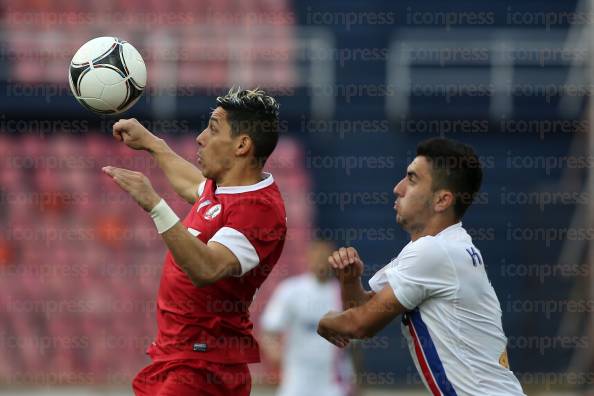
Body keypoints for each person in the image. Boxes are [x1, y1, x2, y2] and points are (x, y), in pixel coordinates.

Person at [102, 87, 287, 396]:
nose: (200, 138)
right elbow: (193, 185)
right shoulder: (225, 189)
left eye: (213, 129)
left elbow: (206, 267)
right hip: (179, 357)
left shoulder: (259, 210)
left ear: (242, 145)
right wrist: (152, 143)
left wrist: (155, 206)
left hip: (204, 367)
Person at [317, 138, 526, 396]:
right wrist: (350, 281)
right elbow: (363, 312)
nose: (398, 188)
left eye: (412, 179)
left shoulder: (434, 252)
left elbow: (360, 324)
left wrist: (325, 321)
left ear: (442, 200)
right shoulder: (441, 247)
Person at [260, 241, 356, 396]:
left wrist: (356, 382)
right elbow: (269, 329)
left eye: (325, 258)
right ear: (309, 258)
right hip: (296, 382)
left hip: (333, 384)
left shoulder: (343, 294)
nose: (320, 262)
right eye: (317, 257)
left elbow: (355, 346)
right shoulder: (291, 290)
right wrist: (276, 355)